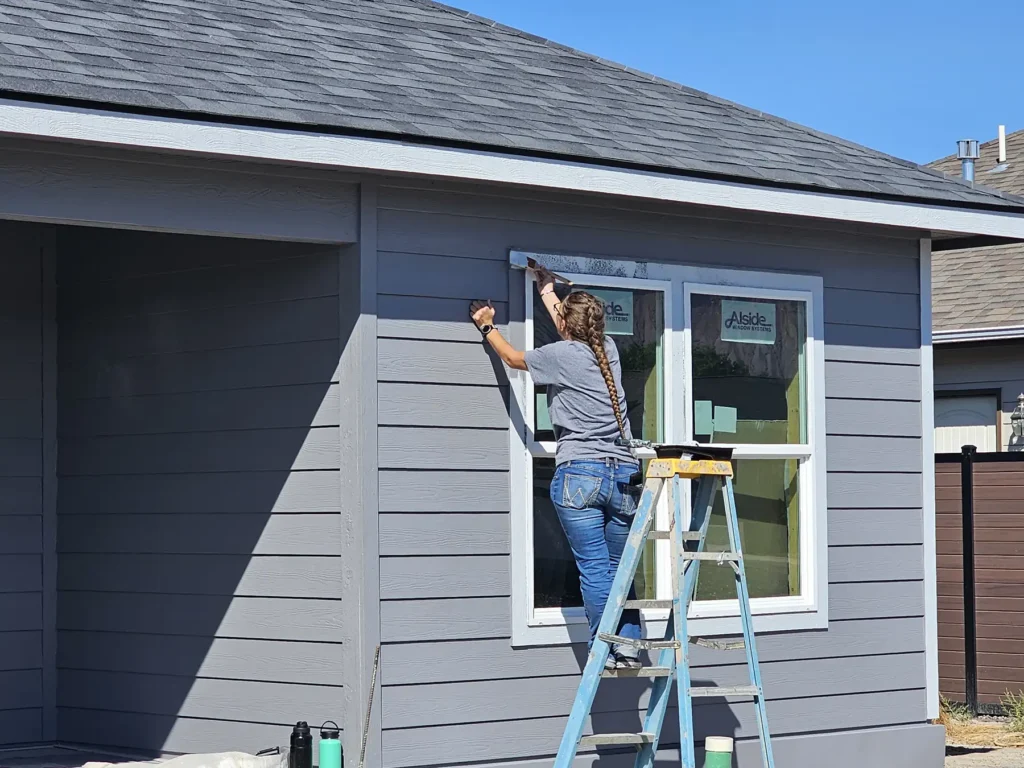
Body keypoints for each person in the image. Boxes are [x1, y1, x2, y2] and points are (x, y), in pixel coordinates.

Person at [469, 266, 643, 669]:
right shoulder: (610, 350)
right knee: (619, 567)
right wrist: (547, 290)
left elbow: (513, 358)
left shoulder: (561, 355)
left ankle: (607, 649)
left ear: (565, 323)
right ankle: (629, 647)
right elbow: (570, 326)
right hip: (623, 475)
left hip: (580, 472)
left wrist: (487, 326)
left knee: (595, 569)